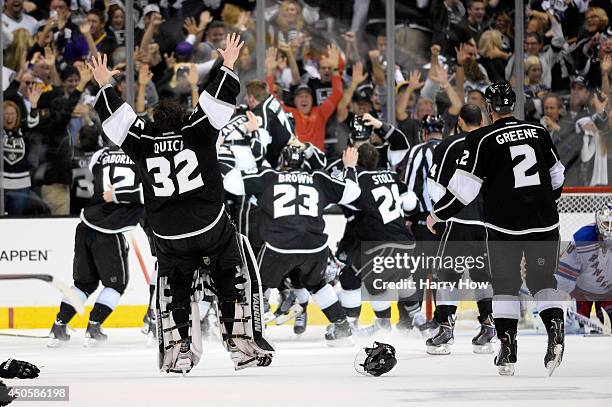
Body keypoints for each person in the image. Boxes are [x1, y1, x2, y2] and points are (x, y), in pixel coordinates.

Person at [87, 33, 274, 374]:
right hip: (209, 224)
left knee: (176, 292)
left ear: (155, 123)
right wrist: (228, 62)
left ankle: (179, 353)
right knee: (235, 274)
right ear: (185, 117)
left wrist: (103, 84)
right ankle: (243, 346)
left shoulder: (143, 139)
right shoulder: (197, 130)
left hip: (168, 233)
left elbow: (119, 121)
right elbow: (217, 100)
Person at [427, 81, 566, 376]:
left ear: (490, 109)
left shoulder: (481, 138)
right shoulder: (539, 131)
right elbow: (557, 176)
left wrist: (436, 215)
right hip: (545, 221)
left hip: (506, 225)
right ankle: (555, 330)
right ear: (513, 105)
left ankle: (508, 350)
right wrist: (543, 203)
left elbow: (463, 191)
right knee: (543, 279)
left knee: (505, 285)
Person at [223, 145, 361, 345]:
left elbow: (231, 183)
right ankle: (341, 328)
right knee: (317, 284)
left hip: (279, 247)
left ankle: (250, 332)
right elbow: (352, 192)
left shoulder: (269, 176)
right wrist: (349, 167)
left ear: (282, 162)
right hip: (315, 248)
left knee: (255, 284)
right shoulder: (318, 178)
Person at [48, 143, 144, 347]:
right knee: (116, 284)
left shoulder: (102, 153)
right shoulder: (142, 155)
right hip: (109, 230)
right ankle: (93, 328)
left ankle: (58, 327)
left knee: (84, 284)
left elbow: (96, 174)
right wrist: (120, 195)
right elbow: (146, 193)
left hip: (85, 223)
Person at [425, 104, 495, 355]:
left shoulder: (449, 145)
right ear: (483, 120)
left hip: (458, 220)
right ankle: (489, 328)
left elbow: (434, 186)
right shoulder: (493, 143)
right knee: (482, 275)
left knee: (447, 275)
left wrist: (438, 215)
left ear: (461, 122)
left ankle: (445, 329)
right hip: (489, 223)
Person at [338, 142, 417, 334]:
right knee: (402, 276)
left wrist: (348, 168)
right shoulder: (391, 175)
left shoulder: (358, 178)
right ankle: (419, 317)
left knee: (350, 275)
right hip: (406, 242)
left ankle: (355, 326)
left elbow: (347, 203)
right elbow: (411, 204)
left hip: (378, 244)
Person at [556, 205, 612, 327]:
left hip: (608, 292)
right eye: (607, 223)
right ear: (599, 222)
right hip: (581, 293)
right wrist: (563, 300)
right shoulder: (581, 239)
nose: (610, 229)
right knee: (576, 327)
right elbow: (565, 273)